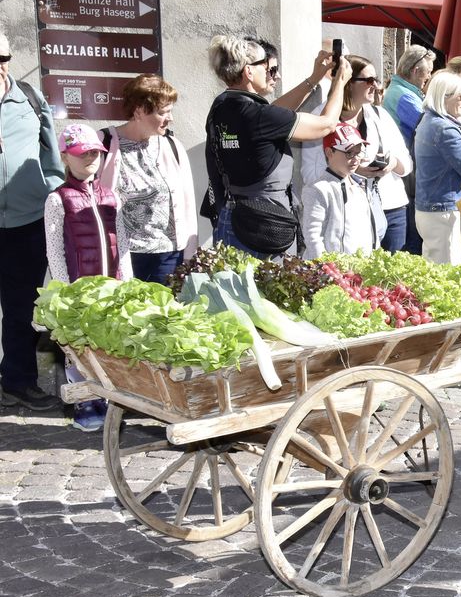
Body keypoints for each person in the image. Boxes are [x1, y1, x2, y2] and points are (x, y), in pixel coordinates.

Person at [205, 35, 351, 258]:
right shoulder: (258, 115)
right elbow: (326, 125)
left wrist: (314, 79)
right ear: (248, 71)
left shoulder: (223, 106)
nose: (274, 74)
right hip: (264, 225)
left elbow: (275, 112)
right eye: (267, 67)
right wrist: (339, 83)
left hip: (234, 218)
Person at [45, 124, 134, 430]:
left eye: (95, 152)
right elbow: (54, 250)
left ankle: (110, 400)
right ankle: (86, 402)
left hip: (110, 288)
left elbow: (122, 244)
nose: (90, 159)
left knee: (108, 346)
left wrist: (128, 282)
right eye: (82, 154)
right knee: (79, 352)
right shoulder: (58, 200)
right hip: (78, 290)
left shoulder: (110, 196)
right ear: (65, 157)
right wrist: (65, 293)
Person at [0, 31, 65, 411]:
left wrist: (55, 198)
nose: (0, 66)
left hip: (26, 219)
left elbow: (50, 152)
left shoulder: (28, 96)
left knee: (23, 307)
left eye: (3, 58)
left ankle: (19, 381)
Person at [301, 55, 411, 254]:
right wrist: (351, 168)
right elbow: (309, 174)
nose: (376, 86)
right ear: (349, 83)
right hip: (347, 215)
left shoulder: (380, 115)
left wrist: (391, 163)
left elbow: (407, 166)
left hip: (391, 207)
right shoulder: (321, 118)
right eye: (369, 80)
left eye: (377, 80)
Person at [94, 74, 197, 285]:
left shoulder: (172, 146)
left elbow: (187, 203)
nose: (170, 118)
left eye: (170, 111)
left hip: (167, 256)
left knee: (165, 315)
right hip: (121, 255)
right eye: (163, 112)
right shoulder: (104, 143)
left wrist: (190, 253)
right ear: (139, 110)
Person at [300, 123, 385, 259]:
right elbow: (313, 237)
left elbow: (371, 230)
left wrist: (375, 258)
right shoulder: (317, 189)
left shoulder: (362, 185)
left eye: (359, 152)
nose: (356, 158)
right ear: (329, 152)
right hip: (332, 273)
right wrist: (328, 270)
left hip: (361, 267)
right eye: (349, 153)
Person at [413, 71, 461, 265]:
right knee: (446, 275)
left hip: (432, 208)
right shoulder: (445, 128)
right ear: (444, 97)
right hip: (442, 210)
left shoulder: (429, 120)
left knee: (436, 273)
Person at [382, 45, 436, 255]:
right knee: (413, 241)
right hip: (407, 176)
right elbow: (427, 128)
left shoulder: (404, 92)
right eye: (428, 72)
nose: (429, 77)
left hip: (408, 173)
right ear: (415, 71)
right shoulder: (402, 95)